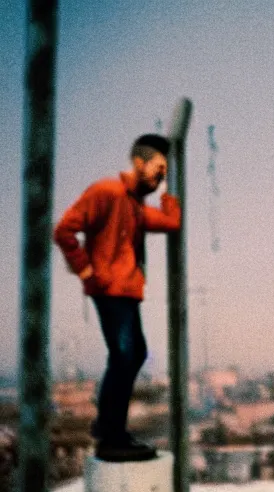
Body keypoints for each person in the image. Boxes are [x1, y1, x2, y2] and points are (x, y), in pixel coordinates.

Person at [53, 134, 181, 462]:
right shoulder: (106, 191)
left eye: (165, 171)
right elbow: (64, 230)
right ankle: (111, 436)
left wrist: (169, 194)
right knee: (125, 355)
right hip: (110, 289)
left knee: (132, 354)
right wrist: (85, 271)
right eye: (158, 168)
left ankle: (110, 429)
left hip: (125, 291)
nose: (161, 175)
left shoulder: (136, 207)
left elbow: (170, 222)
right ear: (139, 163)